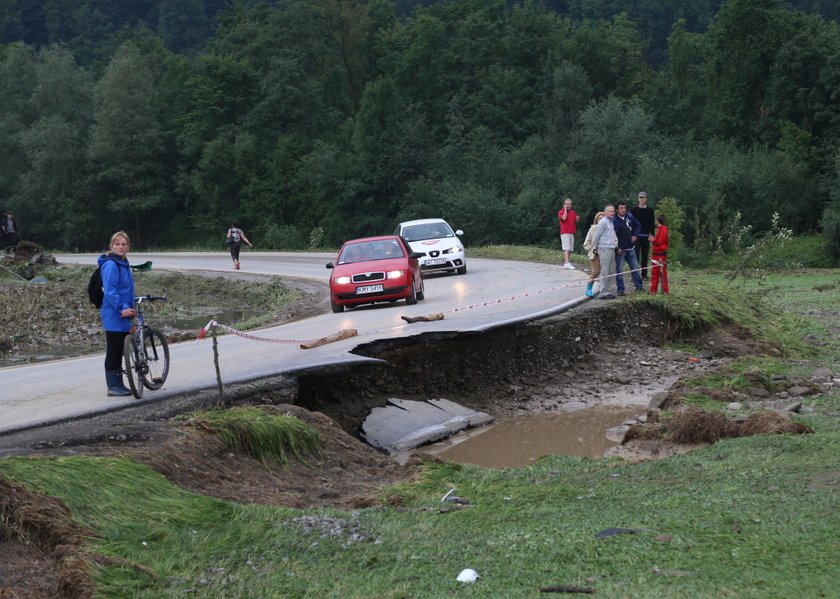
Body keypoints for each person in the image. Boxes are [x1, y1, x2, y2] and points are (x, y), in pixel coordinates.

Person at [99, 231, 135, 397]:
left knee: (120, 348)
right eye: (117, 244)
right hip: (114, 313)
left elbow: (125, 289)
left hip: (124, 311)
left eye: (124, 244)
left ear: (128, 246)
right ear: (111, 246)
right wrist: (122, 307)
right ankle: (113, 385)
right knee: (114, 349)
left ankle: (119, 383)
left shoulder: (123, 263)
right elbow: (110, 291)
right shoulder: (111, 265)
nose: (121, 247)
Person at [613, 201, 644, 296]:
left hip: (631, 248)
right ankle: (621, 289)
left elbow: (638, 225)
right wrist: (616, 248)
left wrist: (635, 235)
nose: (623, 210)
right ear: (617, 210)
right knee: (619, 270)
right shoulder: (614, 220)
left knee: (635, 268)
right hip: (620, 250)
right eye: (621, 208)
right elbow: (611, 236)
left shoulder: (629, 216)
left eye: (624, 208)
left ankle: (639, 287)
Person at [591, 204, 618, 299]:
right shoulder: (603, 222)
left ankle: (607, 290)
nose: (612, 213)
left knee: (611, 270)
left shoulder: (611, 222)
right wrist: (595, 248)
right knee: (605, 270)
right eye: (610, 211)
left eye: (613, 211)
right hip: (604, 248)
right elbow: (597, 236)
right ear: (605, 212)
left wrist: (615, 245)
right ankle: (602, 292)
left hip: (611, 248)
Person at [631, 192, 655, 281]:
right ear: (638, 198)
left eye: (643, 197)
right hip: (636, 237)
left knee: (645, 256)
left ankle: (644, 275)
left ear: (646, 199)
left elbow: (651, 223)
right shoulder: (633, 210)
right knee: (635, 256)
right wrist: (631, 235)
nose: (641, 199)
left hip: (646, 236)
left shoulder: (650, 210)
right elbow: (631, 224)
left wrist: (653, 235)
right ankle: (635, 276)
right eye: (640, 197)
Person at [582, 211, 605, 298]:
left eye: (603, 218)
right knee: (595, 271)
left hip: (604, 254)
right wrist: (591, 250)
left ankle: (603, 290)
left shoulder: (608, 229)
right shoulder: (592, 229)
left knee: (605, 272)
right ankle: (589, 288)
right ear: (596, 220)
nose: (601, 220)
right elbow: (586, 243)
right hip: (594, 255)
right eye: (599, 218)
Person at [557, 198, 580, 269]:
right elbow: (564, 218)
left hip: (571, 232)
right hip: (565, 232)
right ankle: (567, 263)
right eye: (566, 204)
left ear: (571, 205)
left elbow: (576, 221)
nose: (568, 205)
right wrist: (565, 210)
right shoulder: (561, 212)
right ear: (564, 205)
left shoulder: (573, 212)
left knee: (569, 248)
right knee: (566, 248)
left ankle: (567, 263)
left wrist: (577, 218)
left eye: (569, 204)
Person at [650, 214, 669, 294]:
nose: (655, 221)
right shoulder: (659, 229)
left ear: (658, 220)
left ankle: (665, 291)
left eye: (655, 220)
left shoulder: (663, 229)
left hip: (660, 254)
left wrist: (652, 240)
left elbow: (659, 241)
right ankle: (653, 290)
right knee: (654, 273)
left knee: (662, 273)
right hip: (656, 254)